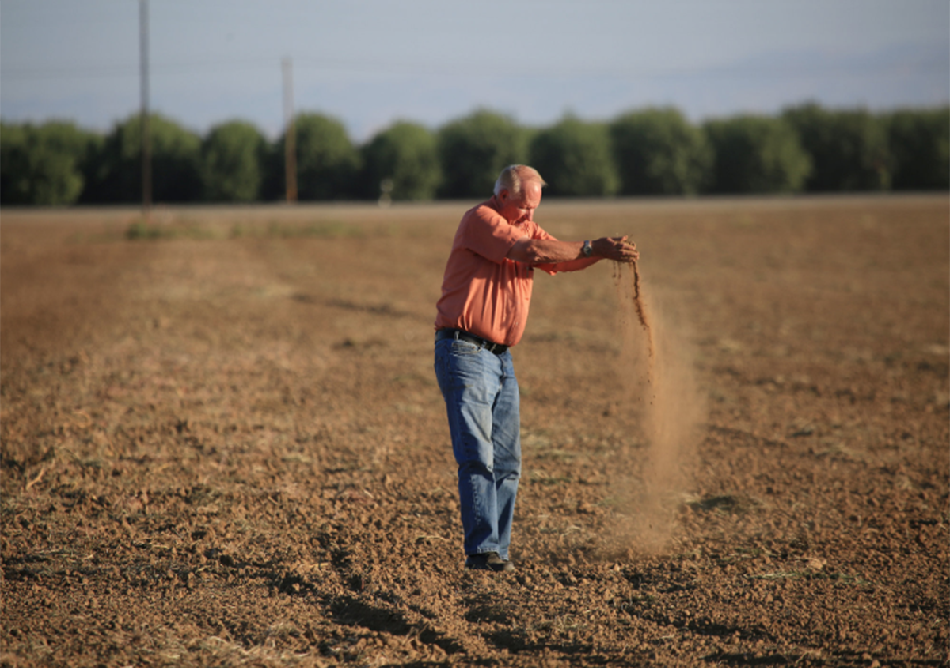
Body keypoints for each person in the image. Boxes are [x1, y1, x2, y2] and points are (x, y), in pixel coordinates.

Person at [433, 164, 640, 572]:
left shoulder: (526, 228)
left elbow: (559, 259)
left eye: (535, 209)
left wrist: (601, 251)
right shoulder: (481, 220)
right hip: (465, 352)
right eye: (525, 207)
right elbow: (533, 253)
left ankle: (499, 552)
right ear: (503, 196)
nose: (530, 216)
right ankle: (482, 552)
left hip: (501, 358)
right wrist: (591, 245)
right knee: (477, 455)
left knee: (508, 462)